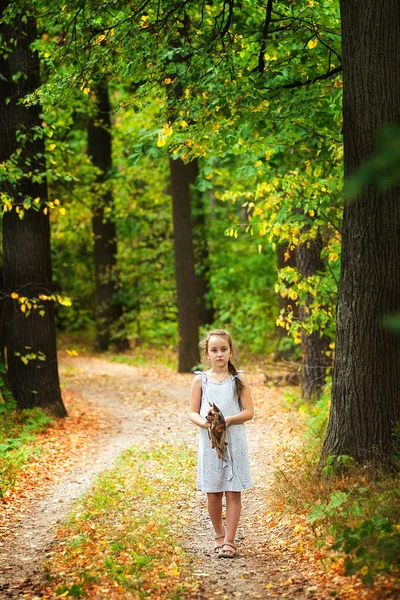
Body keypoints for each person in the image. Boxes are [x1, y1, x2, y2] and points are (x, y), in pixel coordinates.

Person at [189, 329, 254, 558]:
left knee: (233, 491)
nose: (219, 354)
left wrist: (229, 420)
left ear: (231, 352)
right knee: (214, 492)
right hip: (211, 444)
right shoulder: (201, 380)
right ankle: (218, 535)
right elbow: (192, 412)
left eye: (223, 350)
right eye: (214, 350)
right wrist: (208, 426)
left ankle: (230, 541)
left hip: (234, 441)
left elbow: (249, 412)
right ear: (207, 354)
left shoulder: (238, 379)